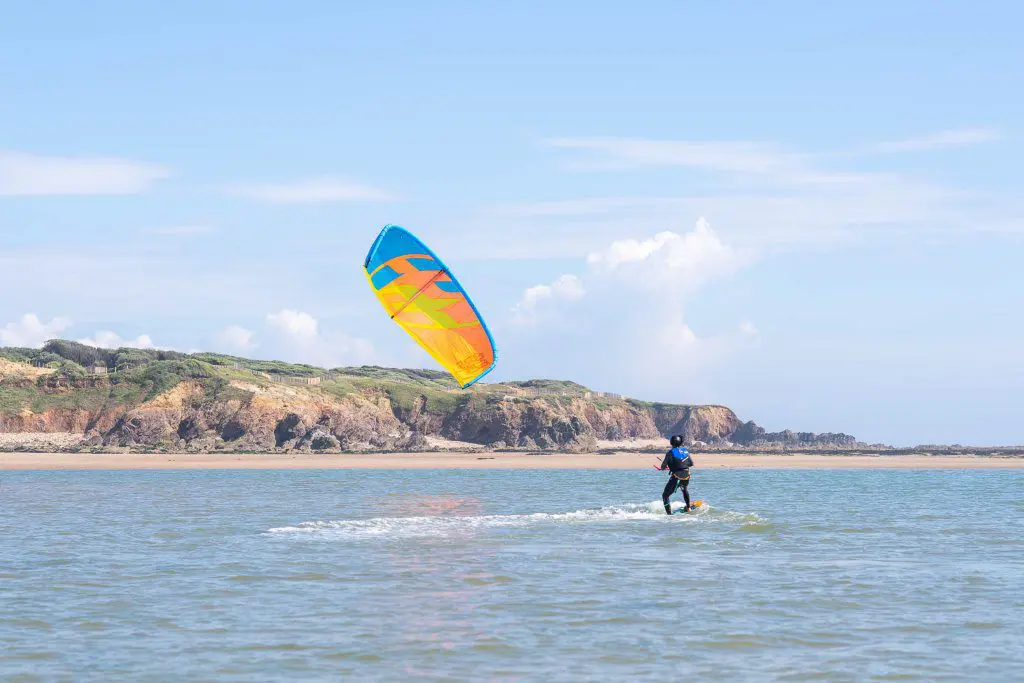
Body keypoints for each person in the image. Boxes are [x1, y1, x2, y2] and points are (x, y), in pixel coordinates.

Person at [659, 435, 695, 514]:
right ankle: (688, 508)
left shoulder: (670, 452)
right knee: (684, 489)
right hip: (686, 475)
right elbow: (691, 463)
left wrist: (666, 467)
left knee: (665, 495)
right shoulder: (685, 451)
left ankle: (669, 514)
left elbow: (662, 467)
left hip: (677, 476)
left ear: (671, 442)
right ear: (680, 443)